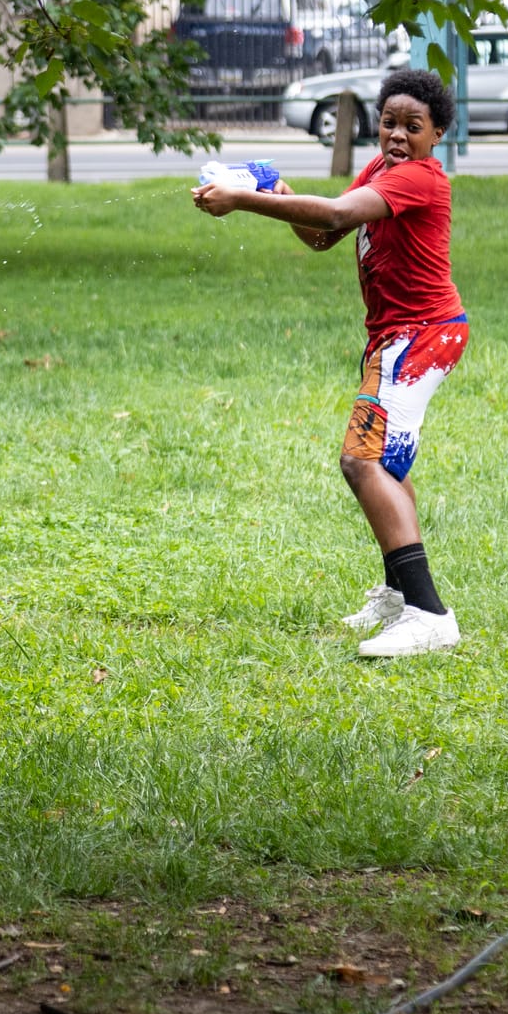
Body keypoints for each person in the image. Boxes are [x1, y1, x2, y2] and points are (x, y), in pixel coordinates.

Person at [191, 68, 468, 657]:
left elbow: (339, 216)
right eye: (389, 122)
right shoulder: (380, 170)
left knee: (361, 461)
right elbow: (323, 236)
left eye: (412, 127)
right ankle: (399, 596)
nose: (397, 136)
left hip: (421, 337)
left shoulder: (421, 179)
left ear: (437, 133)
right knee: (385, 464)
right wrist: (285, 198)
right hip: (400, 338)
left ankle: (430, 616)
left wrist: (244, 200)